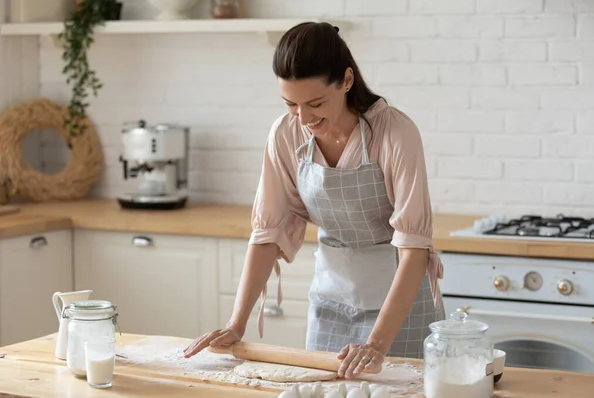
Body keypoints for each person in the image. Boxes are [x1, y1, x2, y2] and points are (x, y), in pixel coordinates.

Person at [183, 21, 446, 379]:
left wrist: (377, 345)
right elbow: (267, 234)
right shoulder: (285, 133)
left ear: (347, 81)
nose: (304, 118)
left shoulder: (395, 134)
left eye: (316, 103)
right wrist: (236, 323)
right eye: (290, 103)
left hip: (400, 311)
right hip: (331, 305)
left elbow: (415, 247)